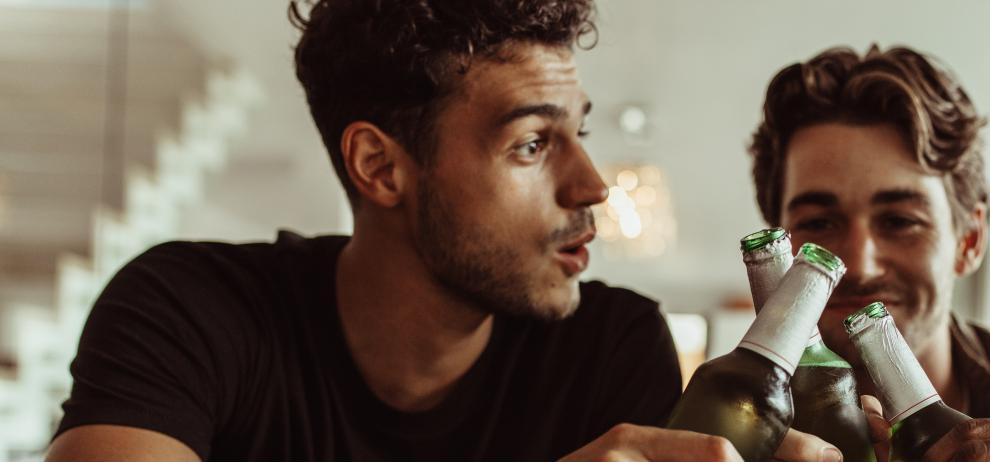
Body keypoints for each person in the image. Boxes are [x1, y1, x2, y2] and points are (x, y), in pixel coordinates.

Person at [46, 1, 832, 461]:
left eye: (581, 133)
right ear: (380, 168)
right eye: (531, 142)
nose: (591, 185)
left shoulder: (610, 346)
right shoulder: (189, 309)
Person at [748, 45, 990, 459]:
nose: (860, 264)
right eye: (818, 224)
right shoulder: (721, 423)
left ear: (969, 241)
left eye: (900, 221)